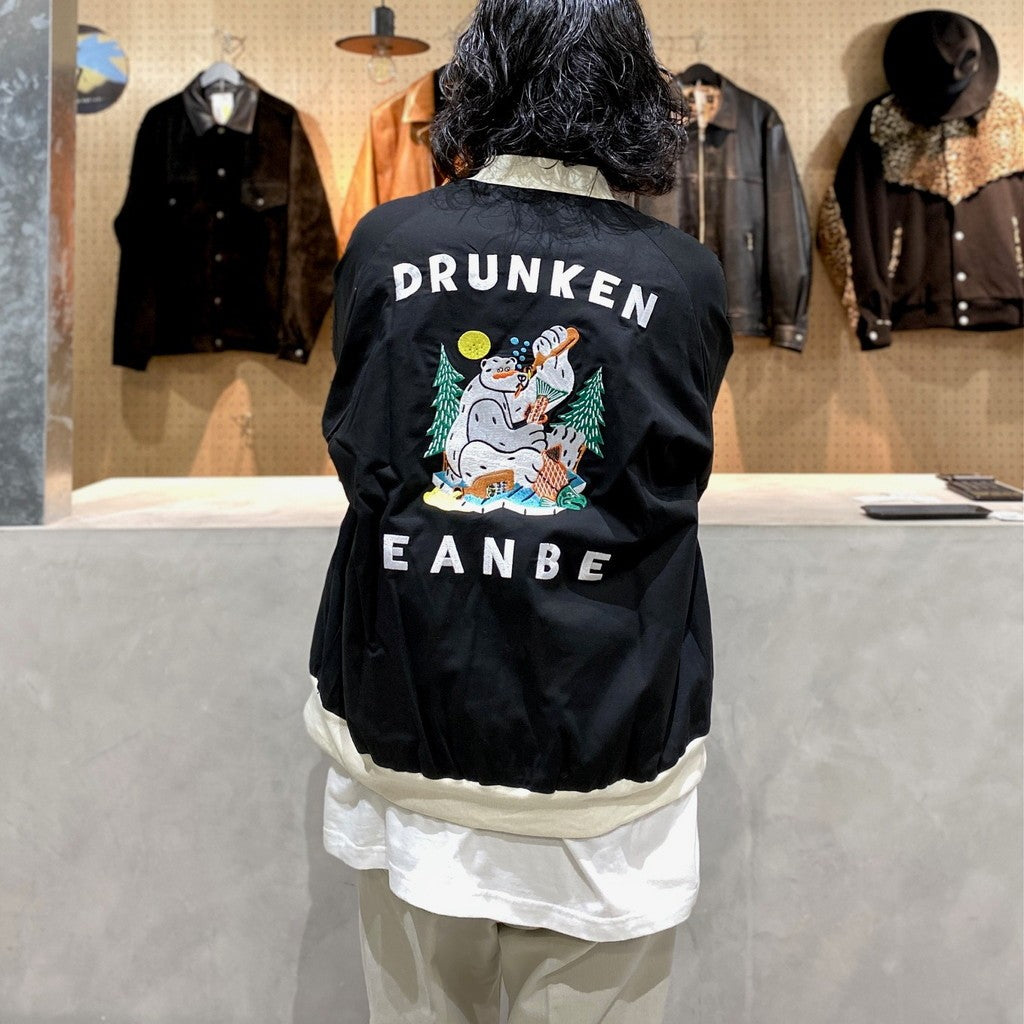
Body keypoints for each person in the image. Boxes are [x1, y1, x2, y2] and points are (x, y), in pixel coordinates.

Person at [304, 0, 733, 1019]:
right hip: (610, 746)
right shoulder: (681, 275)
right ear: (633, 91)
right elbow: (664, 481)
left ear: (480, 76)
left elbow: (362, 455)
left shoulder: (388, 241)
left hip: (411, 727)